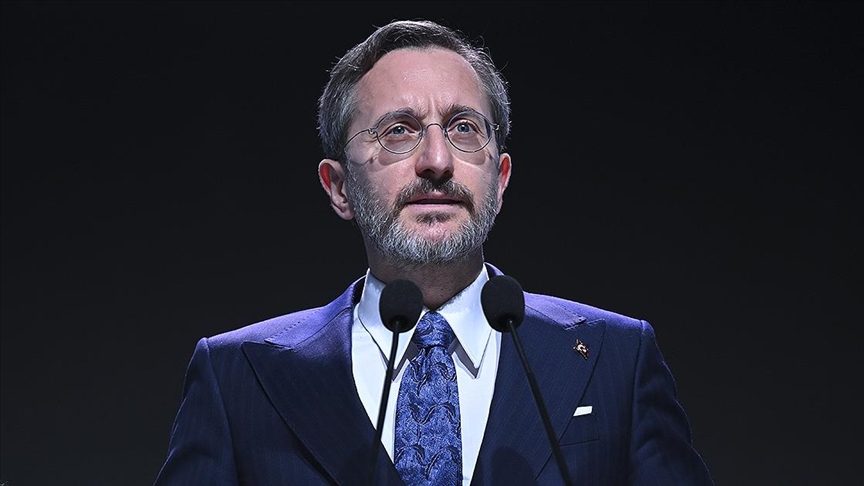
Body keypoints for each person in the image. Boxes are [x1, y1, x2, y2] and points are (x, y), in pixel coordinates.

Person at [154, 19, 714, 486]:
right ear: (339, 187)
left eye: (463, 128)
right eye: (398, 132)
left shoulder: (617, 360)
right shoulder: (238, 376)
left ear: (500, 178)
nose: (437, 161)